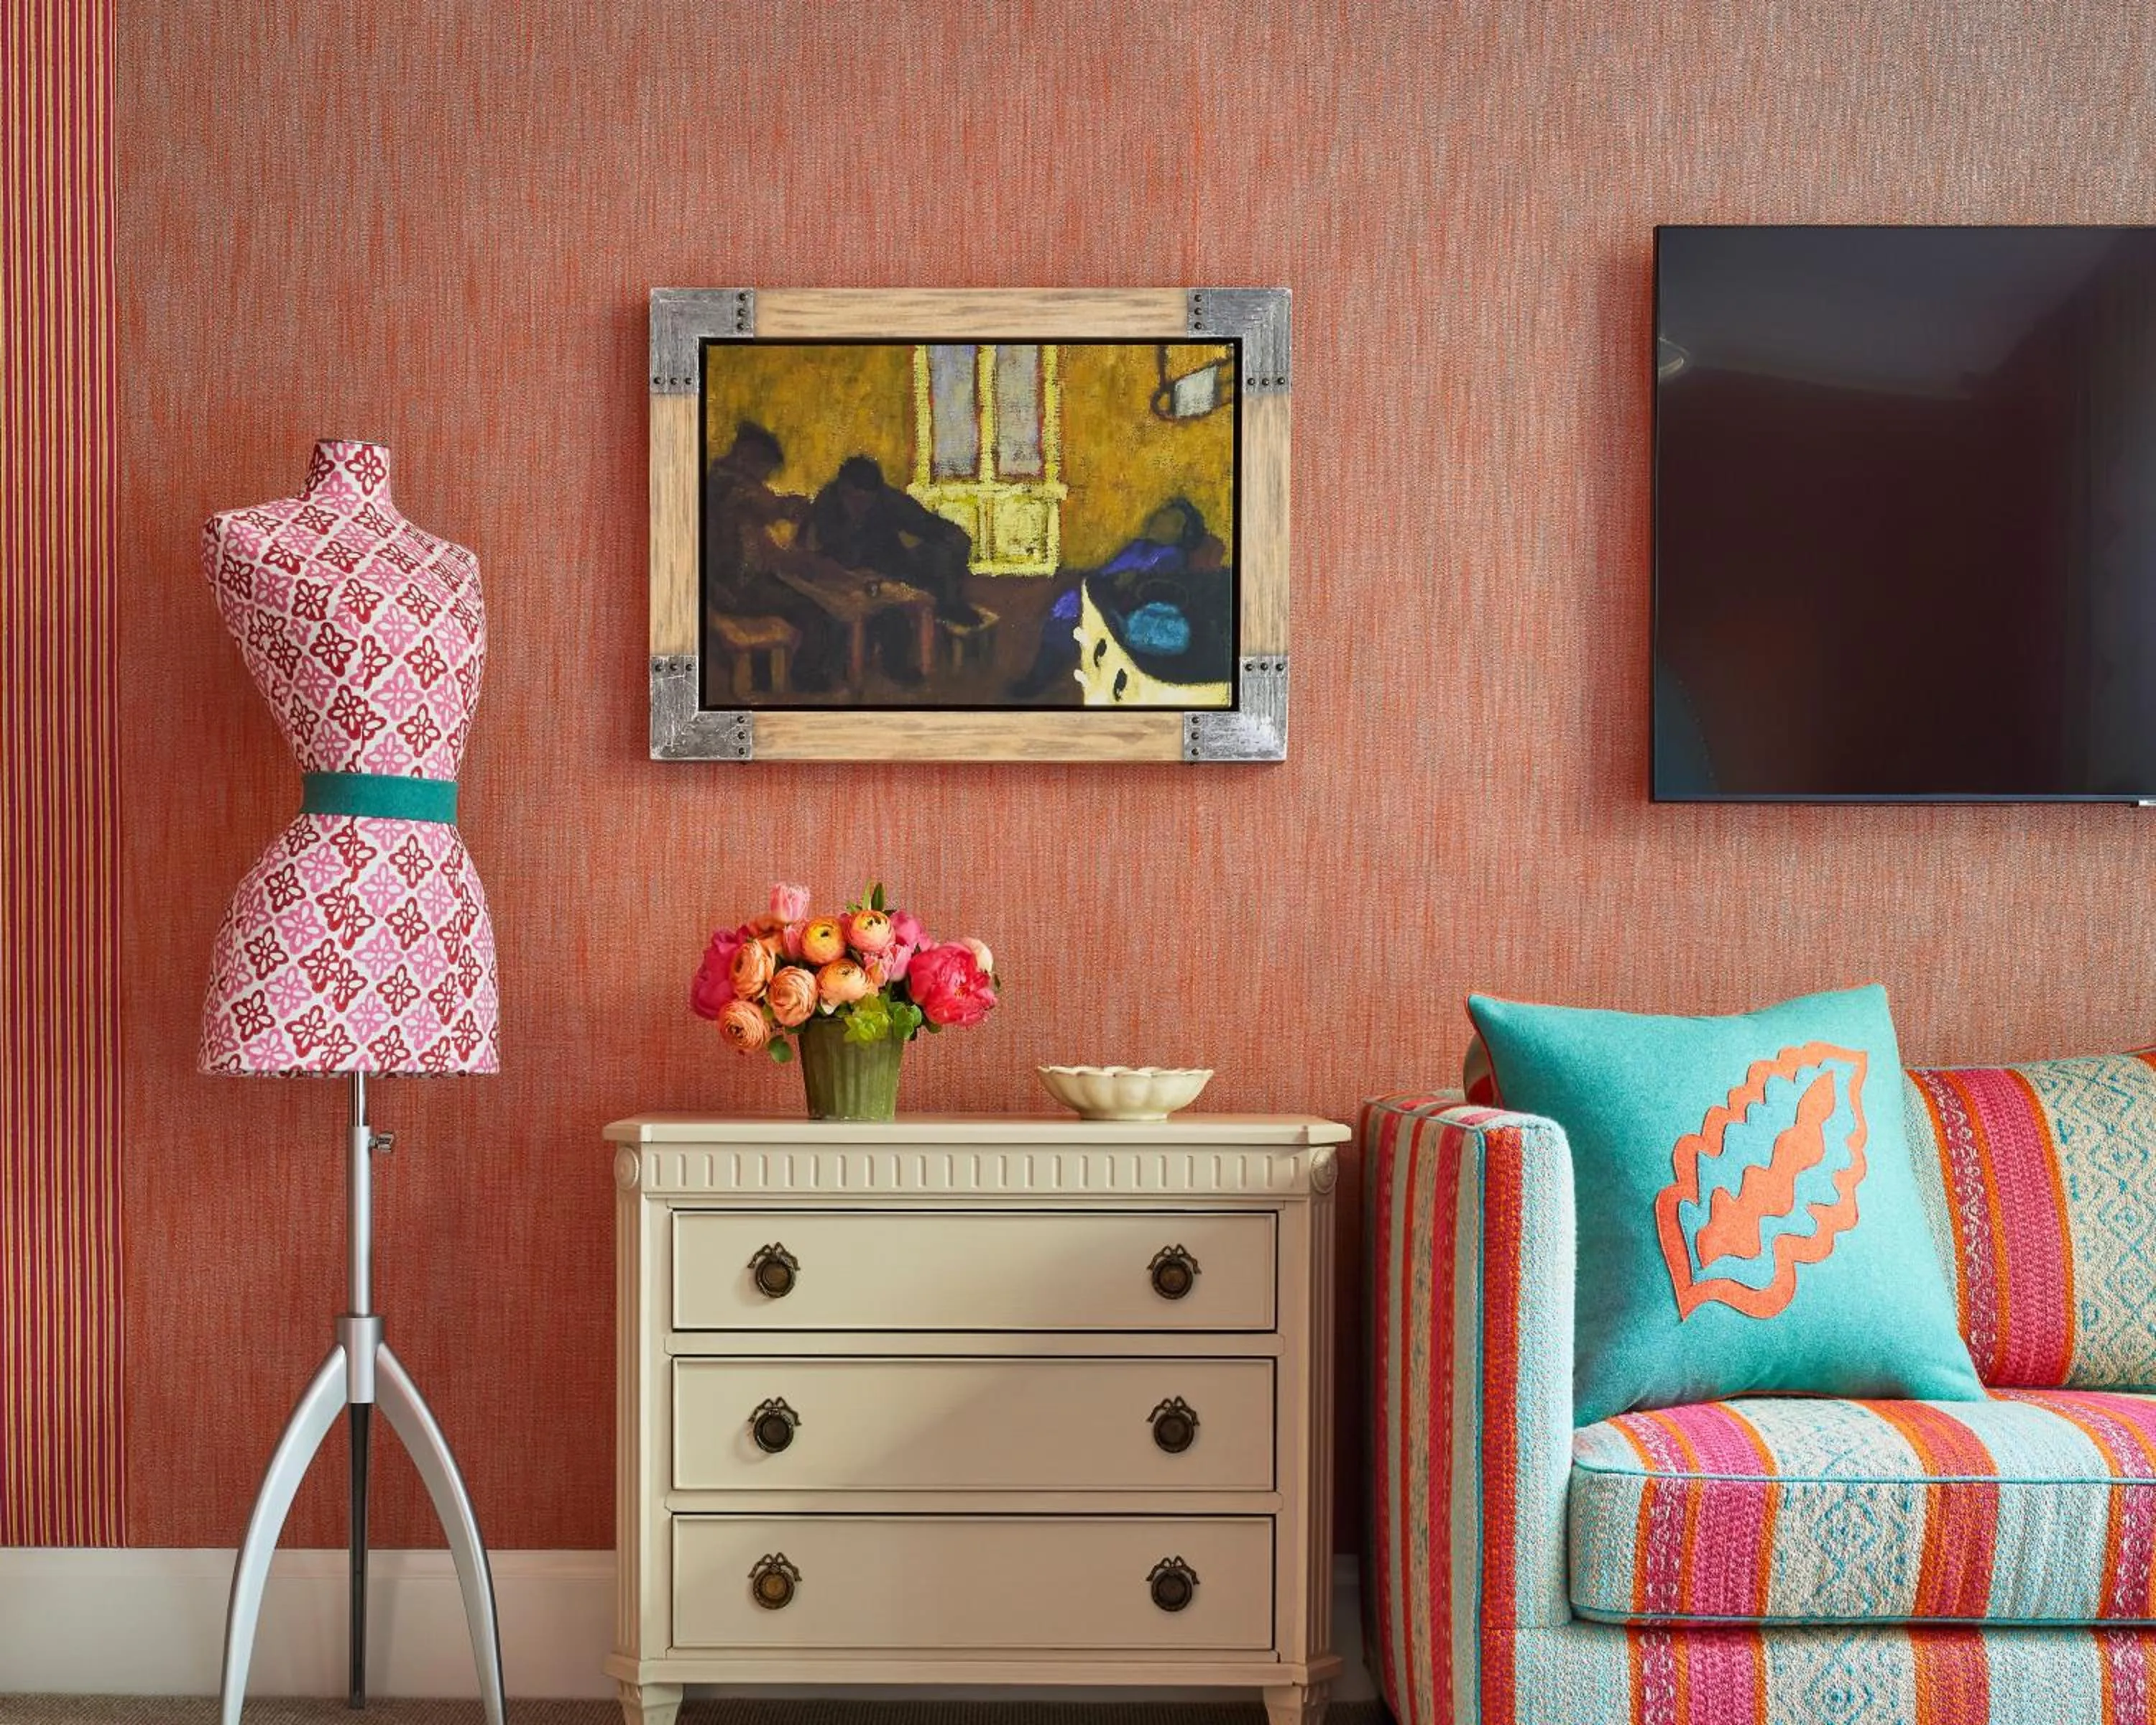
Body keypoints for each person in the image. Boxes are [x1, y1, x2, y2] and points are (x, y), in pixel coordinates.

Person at [1008, 497, 1212, 701]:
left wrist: (1105, 585)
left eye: (1172, 519)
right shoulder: (1138, 545)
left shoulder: (1171, 556)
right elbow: (1110, 569)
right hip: (1103, 589)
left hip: (1125, 605)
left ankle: (1041, 678)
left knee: (1070, 613)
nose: (1160, 517)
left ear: (1180, 534)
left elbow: (1137, 585)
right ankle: (1042, 672)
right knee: (1066, 605)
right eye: (1164, 513)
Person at [701, 421, 842, 693]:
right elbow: (770, 506)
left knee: (797, 597)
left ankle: (763, 676)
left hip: (731, 583)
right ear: (746, 456)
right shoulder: (729, 484)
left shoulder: (723, 482)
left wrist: (793, 558)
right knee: (812, 613)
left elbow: (758, 543)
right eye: (764, 467)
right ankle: (806, 677)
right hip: (729, 589)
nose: (765, 476)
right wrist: (796, 508)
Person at [808, 455, 977, 623]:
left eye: (868, 501)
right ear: (843, 489)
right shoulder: (827, 502)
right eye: (856, 500)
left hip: (891, 570)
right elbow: (827, 551)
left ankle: (949, 608)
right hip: (843, 579)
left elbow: (925, 523)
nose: (862, 507)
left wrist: (954, 536)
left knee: (942, 555)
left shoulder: (887, 498)